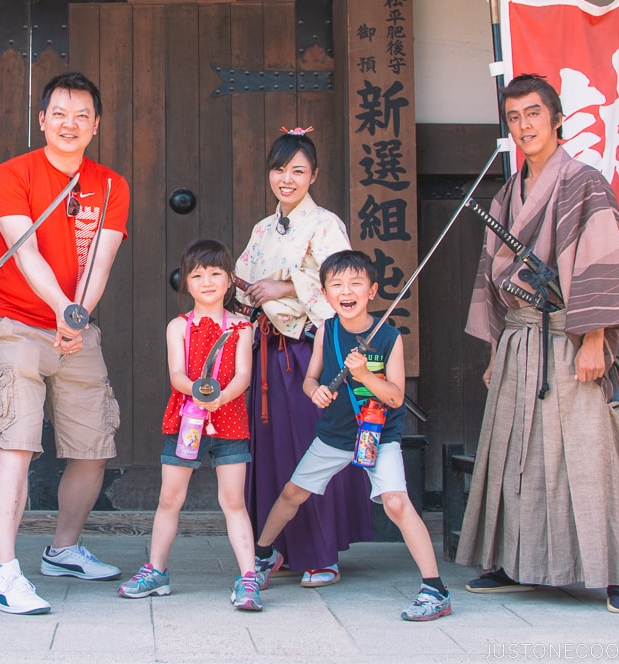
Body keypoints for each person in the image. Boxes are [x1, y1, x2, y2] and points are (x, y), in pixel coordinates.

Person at [455, 74, 619, 614]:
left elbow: (601, 260)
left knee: (587, 453)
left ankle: (615, 575)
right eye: (514, 117)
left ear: (557, 118)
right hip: (518, 339)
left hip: (570, 334)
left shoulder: (584, 181)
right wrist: (496, 350)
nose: (524, 126)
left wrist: (596, 339)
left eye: (534, 114)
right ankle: (517, 565)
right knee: (517, 455)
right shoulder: (502, 194)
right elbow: (489, 276)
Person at [0, 71, 130, 615]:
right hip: (15, 322)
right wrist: (64, 310)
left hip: (77, 327)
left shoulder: (112, 184)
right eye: (59, 114)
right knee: (16, 443)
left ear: (96, 125)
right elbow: (26, 253)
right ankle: (2, 572)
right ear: (42, 120)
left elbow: (101, 258)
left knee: (93, 446)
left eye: (81, 115)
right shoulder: (12, 173)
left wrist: (78, 317)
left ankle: (63, 550)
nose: (70, 124)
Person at [252, 250, 451, 621]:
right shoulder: (327, 329)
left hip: (380, 434)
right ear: (326, 294)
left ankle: (435, 588)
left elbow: (395, 396)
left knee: (395, 502)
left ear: (372, 290)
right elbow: (311, 377)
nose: (347, 291)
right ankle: (265, 554)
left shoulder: (389, 335)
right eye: (337, 285)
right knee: (293, 493)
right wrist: (315, 392)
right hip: (335, 433)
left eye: (356, 283)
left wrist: (365, 376)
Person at [235, 128, 372, 587]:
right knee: (271, 452)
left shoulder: (325, 224)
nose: (287, 179)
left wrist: (286, 286)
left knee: (309, 451)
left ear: (314, 175)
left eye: (298, 170)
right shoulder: (262, 229)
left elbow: (343, 286)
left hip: (308, 350)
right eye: (280, 169)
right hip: (267, 352)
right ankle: (275, 547)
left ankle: (320, 553)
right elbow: (244, 278)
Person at [118, 239, 260, 610]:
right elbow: (177, 375)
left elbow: (243, 375)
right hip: (186, 421)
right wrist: (198, 393)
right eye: (198, 275)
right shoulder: (178, 326)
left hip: (230, 422)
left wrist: (221, 398)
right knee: (170, 498)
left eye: (215, 274)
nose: (207, 282)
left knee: (233, 500)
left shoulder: (243, 327)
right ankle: (156, 570)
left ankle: (248, 577)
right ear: (186, 282)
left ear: (230, 280)